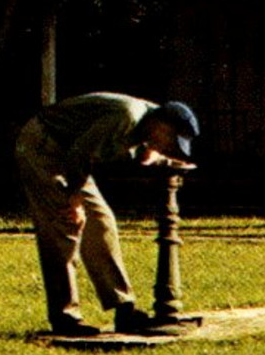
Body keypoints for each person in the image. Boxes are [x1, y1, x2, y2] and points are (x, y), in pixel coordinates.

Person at [15, 92, 200, 336]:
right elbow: (81, 152)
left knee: (102, 222)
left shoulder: (148, 122)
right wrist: (75, 199)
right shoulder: (127, 115)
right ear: (162, 125)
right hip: (43, 145)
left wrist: (156, 158)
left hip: (70, 155)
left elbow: (116, 147)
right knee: (65, 224)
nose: (167, 148)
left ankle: (124, 308)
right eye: (170, 141)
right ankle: (65, 318)